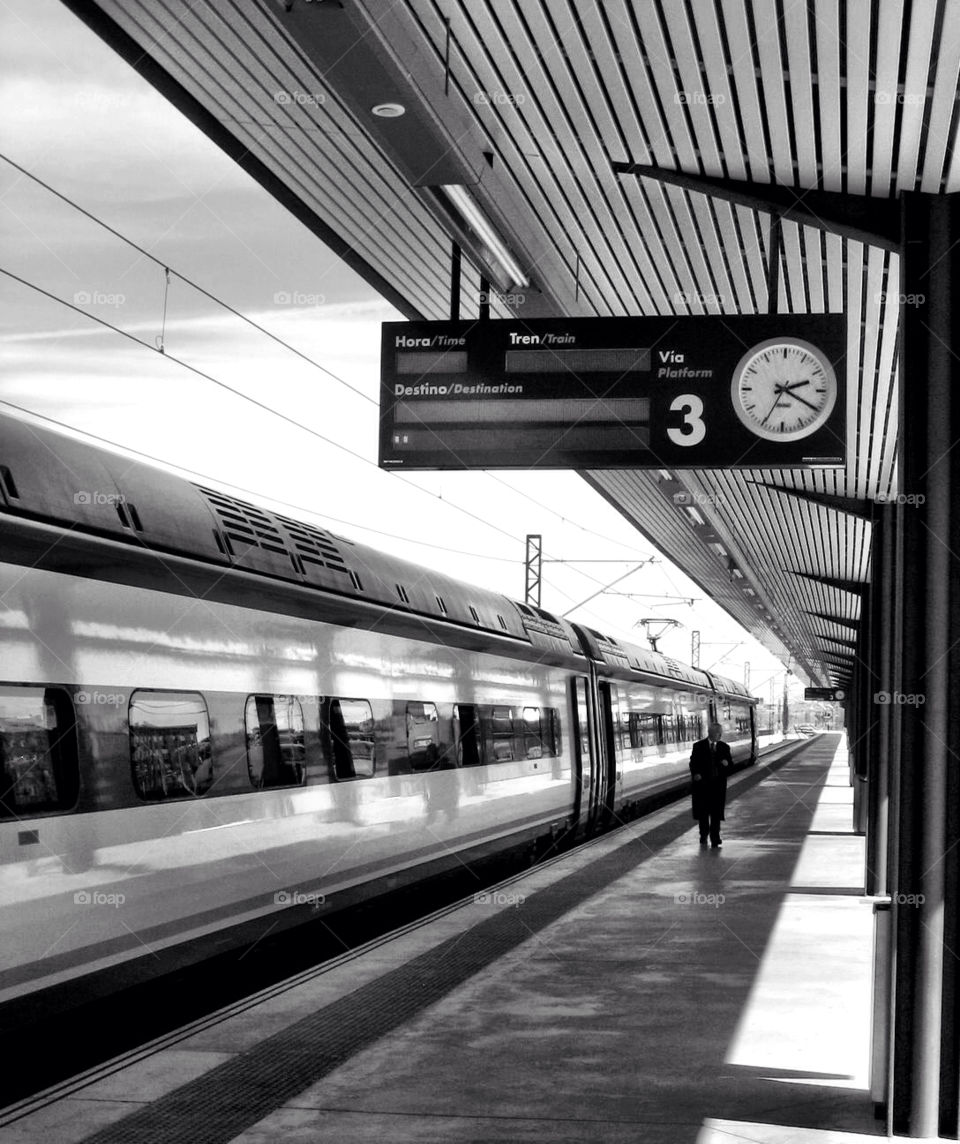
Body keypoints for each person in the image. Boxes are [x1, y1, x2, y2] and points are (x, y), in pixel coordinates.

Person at [690, 722, 731, 848]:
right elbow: (693, 763)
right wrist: (696, 774)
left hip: (717, 787)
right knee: (703, 814)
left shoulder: (724, 747)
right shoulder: (698, 746)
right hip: (702, 786)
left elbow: (731, 764)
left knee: (716, 814)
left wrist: (726, 764)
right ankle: (703, 835)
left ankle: (715, 837)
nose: (721, 735)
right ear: (712, 733)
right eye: (719, 733)